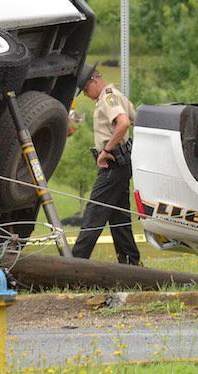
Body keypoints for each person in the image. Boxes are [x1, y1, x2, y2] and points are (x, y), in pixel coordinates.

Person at [71, 63, 141, 265]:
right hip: (121, 164)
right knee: (119, 218)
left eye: (85, 89)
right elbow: (136, 117)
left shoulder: (108, 98)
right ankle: (130, 262)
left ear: (95, 79)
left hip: (113, 164)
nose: (86, 94)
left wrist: (106, 150)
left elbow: (124, 122)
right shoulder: (116, 95)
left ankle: (75, 263)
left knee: (94, 213)